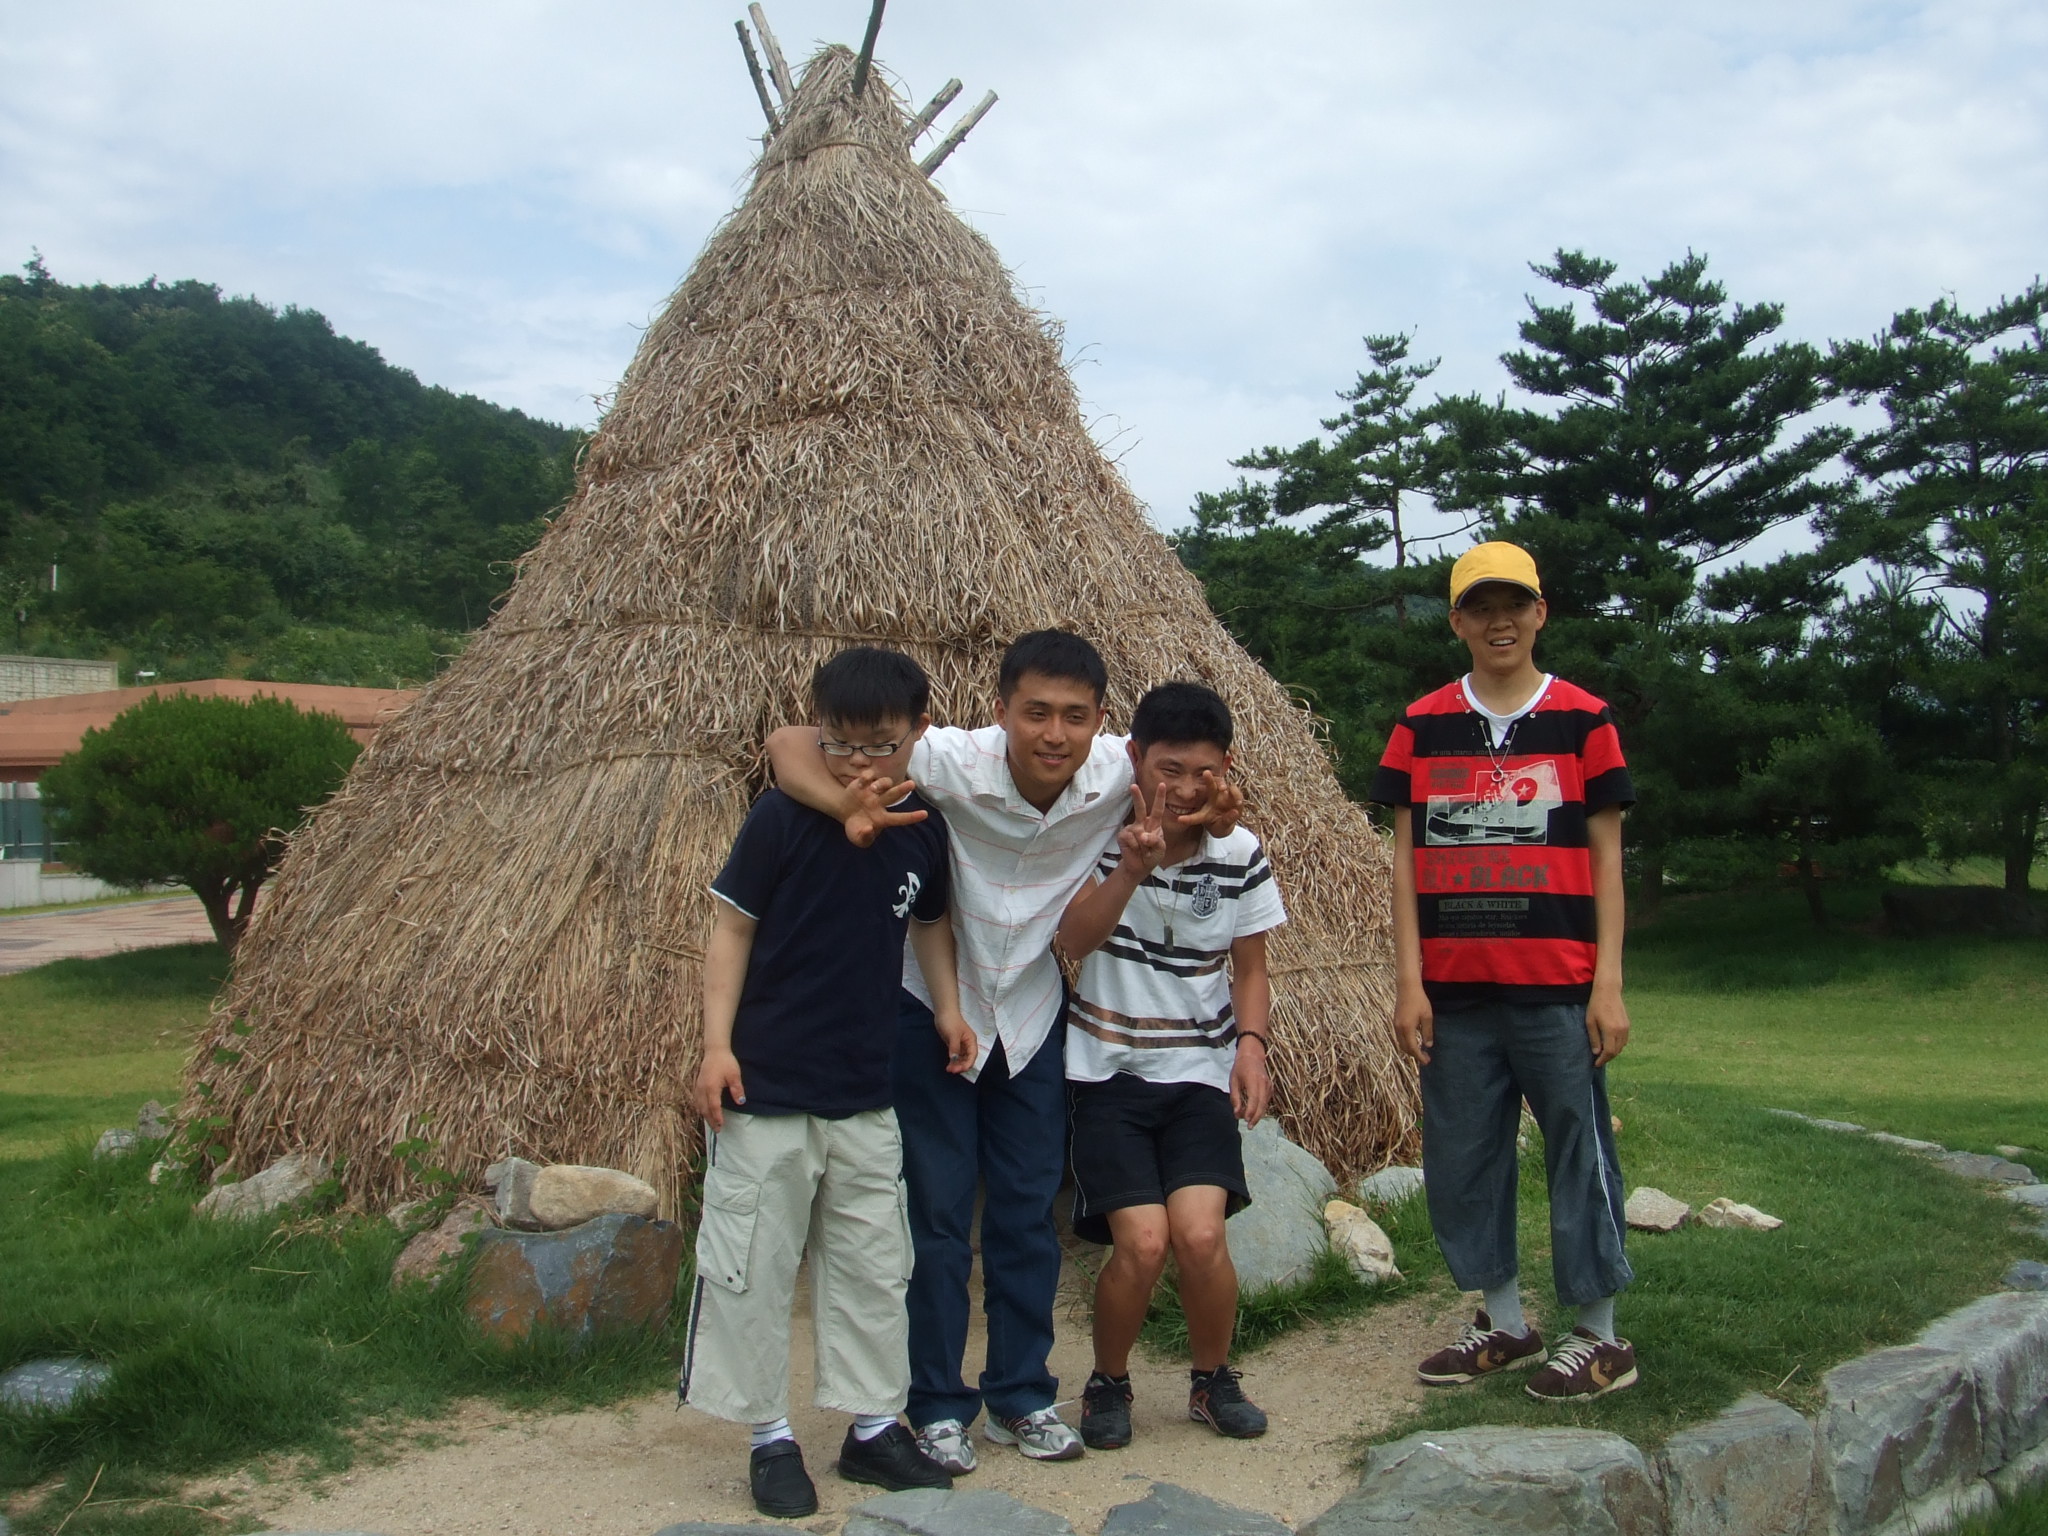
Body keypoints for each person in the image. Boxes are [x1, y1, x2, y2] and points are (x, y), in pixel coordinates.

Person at [764, 630, 1241, 1472]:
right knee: (938, 1217)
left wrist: (1220, 808)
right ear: (999, 711)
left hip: (1028, 1013)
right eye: (1035, 713)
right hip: (932, 1008)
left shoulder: (1117, 774)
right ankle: (935, 1404)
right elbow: (787, 744)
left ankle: (1021, 1396)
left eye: (1074, 716)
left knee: (1025, 1214)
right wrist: (847, 809)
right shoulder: (950, 760)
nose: (1054, 734)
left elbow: (1196, 781)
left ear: (1103, 723)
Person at [683, 646, 972, 1520]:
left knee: (874, 1265)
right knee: (754, 1266)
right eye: (842, 743)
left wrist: (949, 1008)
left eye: (881, 744)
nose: (859, 762)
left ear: (920, 732)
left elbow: (930, 925)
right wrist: (716, 1047)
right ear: (819, 730)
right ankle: (768, 1437)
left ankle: (873, 1428)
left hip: (865, 1087)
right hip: (766, 1085)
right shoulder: (779, 818)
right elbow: (731, 928)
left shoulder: (924, 828)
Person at [1371, 540, 1639, 1402]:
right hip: (1455, 990)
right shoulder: (1420, 725)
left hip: (1558, 982)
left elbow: (1607, 859)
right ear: (1456, 621)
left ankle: (1600, 1336)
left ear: (1540, 613)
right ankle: (1505, 1320)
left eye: (1514, 604)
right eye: (1481, 607)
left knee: (1579, 1151)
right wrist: (1409, 982)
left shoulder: (1584, 720)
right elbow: (1404, 862)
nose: (1500, 622)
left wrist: (1607, 984)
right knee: (1463, 1157)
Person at [1055, 682, 1285, 1449]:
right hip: (1108, 1072)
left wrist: (1250, 1046)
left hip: (1200, 1072)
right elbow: (1072, 943)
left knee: (1200, 1236)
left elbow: (1251, 968)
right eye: (1169, 769)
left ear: (1227, 769)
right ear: (1134, 758)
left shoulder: (1238, 853)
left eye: (1203, 772)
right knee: (1143, 1242)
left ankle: (1212, 1379)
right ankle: (1108, 1381)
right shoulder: (1097, 839)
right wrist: (1130, 870)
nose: (1184, 788)